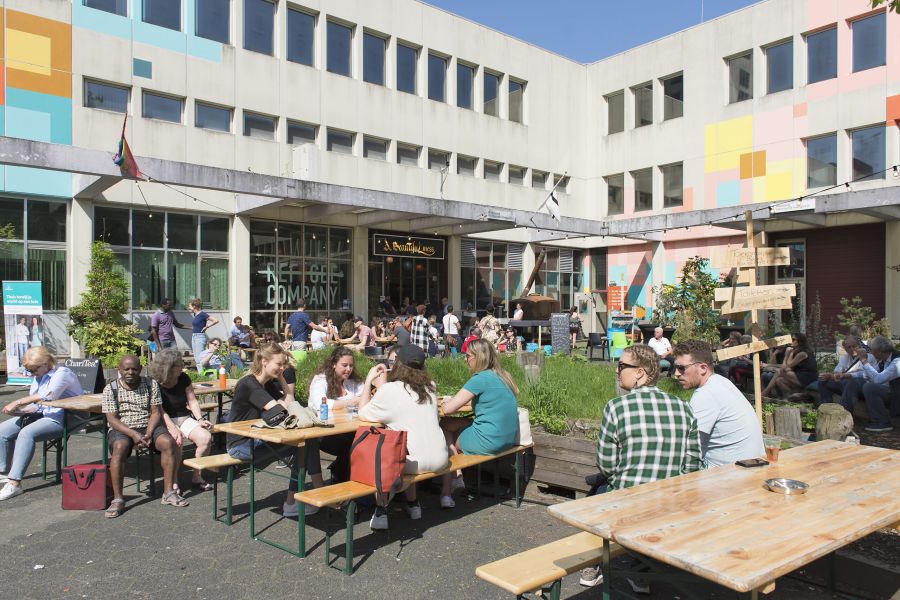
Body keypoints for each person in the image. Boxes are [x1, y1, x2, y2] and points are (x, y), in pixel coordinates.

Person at [579, 344, 700, 589]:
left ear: (640, 373)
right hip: (669, 503)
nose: (617, 370)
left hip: (627, 501)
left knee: (595, 493)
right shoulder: (684, 407)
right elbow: (692, 466)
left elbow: (606, 464)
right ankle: (640, 571)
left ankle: (594, 563)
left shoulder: (616, 407)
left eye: (622, 366)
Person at [357, 345, 449, 529]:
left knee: (380, 451)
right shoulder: (430, 386)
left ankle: (381, 510)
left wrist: (369, 382)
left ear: (398, 365)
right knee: (404, 444)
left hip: (412, 462)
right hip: (441, 459)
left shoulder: (390, 390)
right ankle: (413, 504)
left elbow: (363, 413)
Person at [103, 355, 186, 517]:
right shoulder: (110, 389)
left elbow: (155, 412)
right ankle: (118, 498)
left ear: (141, 369)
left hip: (148, 425)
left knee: (168, 442)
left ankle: (169, 492)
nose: (130, 372)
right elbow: (112, 419)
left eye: (134, 369)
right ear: (119, 370)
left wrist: (148, 433)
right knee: (119, 447)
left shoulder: (150, 384)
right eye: (126, 369)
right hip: (123, 427)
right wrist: (133, 434)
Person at [440, 339, 519, 508]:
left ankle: (455, 477)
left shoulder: (479, 379)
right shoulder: (503, 376)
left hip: (488, 440)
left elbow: (448, 409)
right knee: (451, 423)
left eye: (468, 356)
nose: (465, 359)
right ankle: (455, 477)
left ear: (478, 357)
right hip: (508, 438)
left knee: (444, 425)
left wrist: (447, 402)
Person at [225, 343, 301, 516]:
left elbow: (289, 402)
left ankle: (294, 499)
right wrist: (283, 403)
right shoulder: (249, 384)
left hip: (256, 440)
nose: (282, 368)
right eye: (279, 364)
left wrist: (281, 378)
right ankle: (293, 501)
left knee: (305, 445)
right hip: (240, 445)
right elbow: (281, 410)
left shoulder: (265, 384)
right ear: (264, 362)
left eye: (284, 364)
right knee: (302, 447)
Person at [0, 347, 83, 501]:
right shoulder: (40, 375)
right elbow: (37, 404)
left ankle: (14, 483)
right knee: (3, 430)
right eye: (29, 370)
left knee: (26, 434)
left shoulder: (62, 373)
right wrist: (20, 411)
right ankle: (4, 473)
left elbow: (49, 395)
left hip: (66, 417)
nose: (32, 373)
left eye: (34, 369)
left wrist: (17, 402)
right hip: (44, 414)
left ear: (46, 363)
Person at [673, 340, 764, 467]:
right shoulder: (721, 382)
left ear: (703, 368)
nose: (676, 374)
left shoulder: (706, 394)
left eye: (682, 368)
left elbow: (682, 443)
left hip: (730, 472)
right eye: (676, 367)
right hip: (751, 465)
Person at [300, 347, 365, 514]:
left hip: (347, 429)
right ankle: (344, 491)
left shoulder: (352, 381)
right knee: (354, 446)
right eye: (344, 365)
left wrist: (355, 400)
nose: (348, 369)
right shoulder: (321, 380)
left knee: (361, 443)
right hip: (324, 433)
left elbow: (364, 396)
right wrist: (351, 402)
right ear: (334, 364)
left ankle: (349, 490)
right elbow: (321, 404)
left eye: (351, 365)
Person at [148, 348, 214, 491]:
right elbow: (159, 409)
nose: (182, 367)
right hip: (164, 419)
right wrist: (172, 427)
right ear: (169, 367)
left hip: (183, 417)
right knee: (176, 442)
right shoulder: (154, 382)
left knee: (205, 438)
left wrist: (200, 419)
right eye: (179, 364)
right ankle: (173, 482)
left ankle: (197, 476)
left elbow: (192, 400)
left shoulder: (183, 378)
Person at [854, 335, 900, 432]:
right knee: (856, 382)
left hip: (896, 395)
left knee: (869, 387)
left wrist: (864, 360)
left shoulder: (897, 362)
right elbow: (868, 374)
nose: (870, 352)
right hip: (891, 392)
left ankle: (882, 422)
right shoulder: (884, 361)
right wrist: (847, 375)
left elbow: (878, 379)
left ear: (879, 351)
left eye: (871, 350)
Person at [816, 335, 873, 413]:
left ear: (859, 346)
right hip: (844, 384)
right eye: (849, 347)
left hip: (860, 386)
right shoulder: (845, 357)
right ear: (846, 349)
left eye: (854, 346)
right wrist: (832, 376)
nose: (852, 349)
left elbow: (864, 374)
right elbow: (837, 370)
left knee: (851, 382)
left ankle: (842, 414)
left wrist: (844, 375)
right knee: (822, 380)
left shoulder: (868, 357)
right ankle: (826, 409)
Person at [761, 332, 817, 399]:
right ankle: (795, 396)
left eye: (793, 340)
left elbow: (786, 366)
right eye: (790, 339)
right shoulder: (795, 351)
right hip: (799, 376)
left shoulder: (802, 353)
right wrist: (789, 353)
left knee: (779, 371)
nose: (791, 341)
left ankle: (766, 392)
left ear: (800, 341)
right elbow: (788, 368)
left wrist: (787, 355)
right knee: (779, 380)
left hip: (807, 378)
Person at [188, 298, 219, 367]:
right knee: (196, 358)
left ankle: (203, 372)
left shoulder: (202, 314)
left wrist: (207, 326)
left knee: (200, 358)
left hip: (199, 337)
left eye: (190, 306)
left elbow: (216, 320)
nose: (188, 308)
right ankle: (201, 372)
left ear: (194, 306)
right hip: (194, 337)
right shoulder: (195, 315)